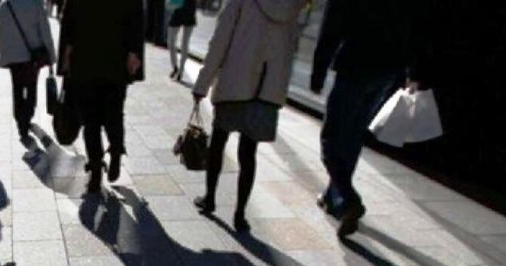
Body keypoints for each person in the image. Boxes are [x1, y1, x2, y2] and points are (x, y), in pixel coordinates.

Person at [191, 0, 307, 232]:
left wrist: (202, 84)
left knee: (218, 142)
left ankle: (210, 198)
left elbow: (219, 43)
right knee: (248, 153)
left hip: (235, 84)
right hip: (266, 90)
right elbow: (290, 50)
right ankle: (240, 214)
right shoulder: (292, 6)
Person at [311, 0, 418, 237]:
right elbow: (413, 23)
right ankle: (333, 197)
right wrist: (412, 71)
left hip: (356, 65)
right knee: (352, 136)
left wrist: (318, 71)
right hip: (387, 71)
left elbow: (332, 25)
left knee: (331, 139)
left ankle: (348, 200)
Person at [59, 0, 144, 194]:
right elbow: (136, 15)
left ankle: (96, 171)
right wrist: (133, 52)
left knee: (91, 120)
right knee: (114, 113)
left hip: (85, 56)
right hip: (116, 57)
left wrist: (67, 55)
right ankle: (115, 152)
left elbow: (70, 17)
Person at [0, 0, 56, 143]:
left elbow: (0, 34)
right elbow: (45, 30)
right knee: (31, 87)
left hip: (13, 57)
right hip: (32, 56)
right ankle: (27, 117)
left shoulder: (5, 6)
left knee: (17, 88)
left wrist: (4, 55)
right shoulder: (35, 4)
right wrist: (51, 55)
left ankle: (20, 120)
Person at [167, 0, 196, 82]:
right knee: (172, 42)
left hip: (188, 9)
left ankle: (180, 70)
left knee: (183, 43)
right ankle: (176, 68)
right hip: (180, 10)